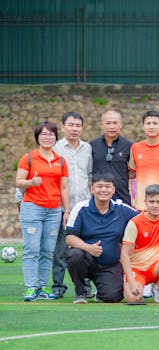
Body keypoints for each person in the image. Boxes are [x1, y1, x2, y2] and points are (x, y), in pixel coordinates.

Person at [16, 121, 70, 301]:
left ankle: (42, 286)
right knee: (32, 249)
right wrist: (31, 183)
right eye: (44, 134)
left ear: (56, 137)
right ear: (38, 137)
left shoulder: (60, 160)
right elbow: (19, 182)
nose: (48, 137)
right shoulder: (29, 158)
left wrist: (67, 210)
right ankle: (31, 287)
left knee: (48, 251)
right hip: (32, 208)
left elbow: (64, 188)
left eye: (51, 134)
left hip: (54, 210)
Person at [65, 173, 138, 304]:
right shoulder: (80, 208)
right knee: (74, 255)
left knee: (112, 297)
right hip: (87, 260)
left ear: (113, 190)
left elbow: (143, 219)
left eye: (107, 187)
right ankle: (80, 291)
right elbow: (69, 238)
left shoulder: (122, 209)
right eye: (99, 186)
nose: (103, 190)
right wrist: (88, 248)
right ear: (92, 189)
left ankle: (101, 291)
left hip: (110, 265)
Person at [51, 112, 93, 299]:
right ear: (63, 127)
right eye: (71, 125)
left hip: (83, 207)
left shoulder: (87, 148)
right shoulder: (55, 148)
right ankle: (58, 286)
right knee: (60, 249)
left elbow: (90, 175)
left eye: (78, 125)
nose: (75, 129)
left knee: (84, 248)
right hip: (61, 206)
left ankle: (85, 286)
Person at [120, 184, 159, 304]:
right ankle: (130, 283)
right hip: (137, 270)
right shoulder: (135, 223)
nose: (155, 205)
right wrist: (132, 281)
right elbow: (124, 254)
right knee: (134, 299)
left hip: (154, 269)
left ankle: (157, 288)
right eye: (151, 202)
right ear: (145, 202)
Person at [90, 109, 133, 205]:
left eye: (115, 123)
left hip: (122, 196)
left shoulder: (128, 146)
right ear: (102, 125)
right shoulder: (92, 145)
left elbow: (134, 171)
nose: (112, 126)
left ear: (120, 124)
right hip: (99, 196)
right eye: (108, 123)